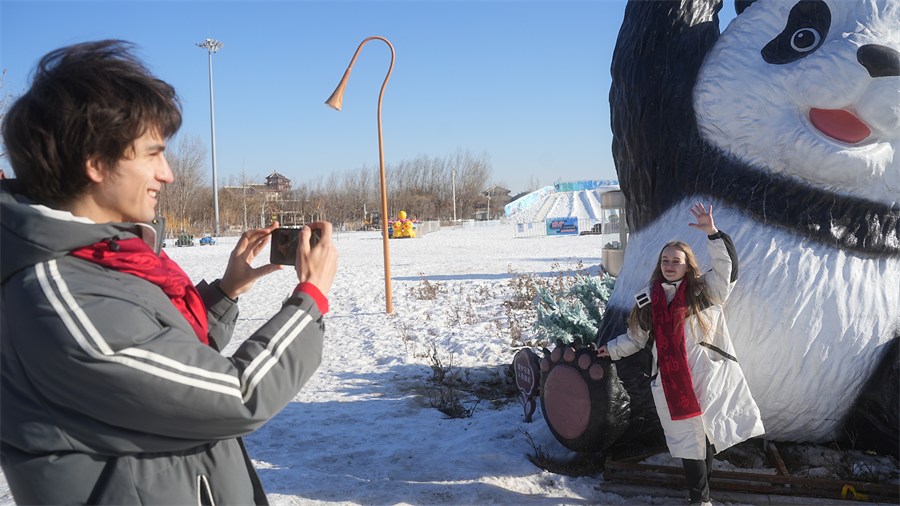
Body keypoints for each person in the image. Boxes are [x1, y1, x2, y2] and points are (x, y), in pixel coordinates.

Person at [0, 40, 339, 505]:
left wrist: (225, 291)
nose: (169, 173)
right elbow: (232, 397)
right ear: (95, 162)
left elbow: (165, 362)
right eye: (153, 153)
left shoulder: (104, 260)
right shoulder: (60, 295)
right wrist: (311, 296)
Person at [597, 203, 764, 506]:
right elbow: (637, 339)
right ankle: (700, 499)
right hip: (673, 382)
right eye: (665, 260)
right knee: (690, 442)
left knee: (707, 438)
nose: (670, 265)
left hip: (706, 376)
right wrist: (610, 349)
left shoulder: (705, 291)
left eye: (676, 260)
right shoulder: (648, 301)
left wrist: (712, 233)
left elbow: (727, 269)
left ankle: (702, 496)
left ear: (688, 265)